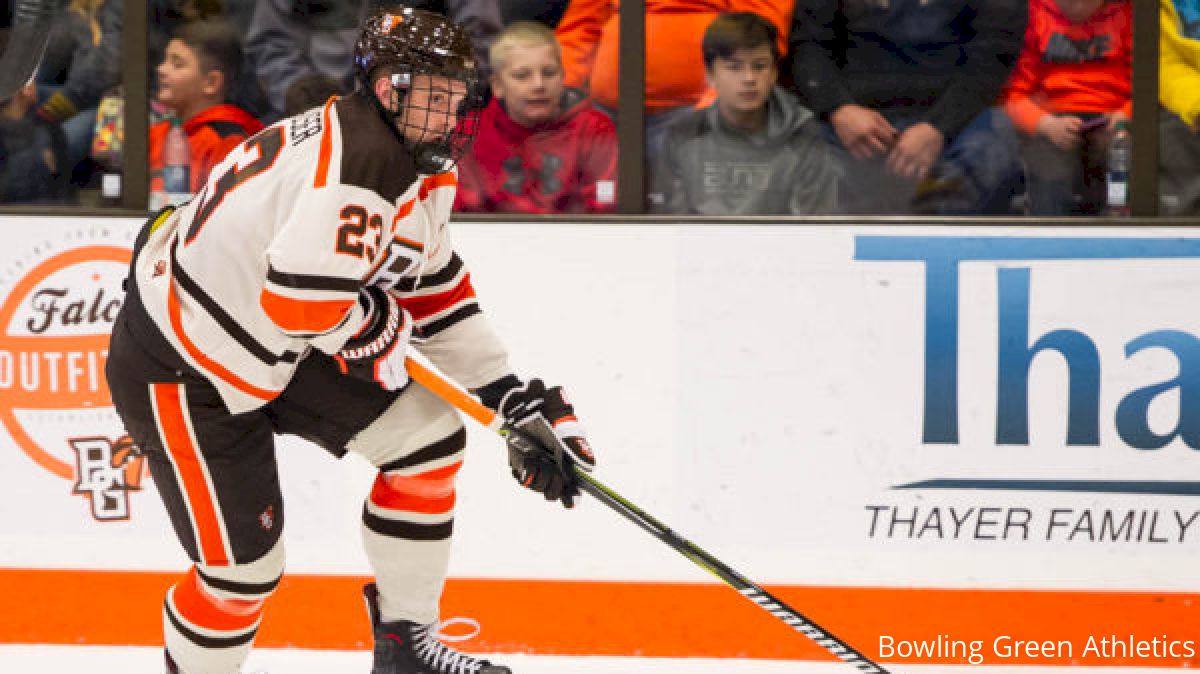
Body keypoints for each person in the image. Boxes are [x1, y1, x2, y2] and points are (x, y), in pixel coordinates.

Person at [105, 7, 595, 674]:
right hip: (183, 360)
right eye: (437, 98)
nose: (452, 114)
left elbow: (433, 288)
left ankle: (407, 648)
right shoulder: (358, 164)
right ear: (391, 90)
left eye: (458, 98)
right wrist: (369, 329)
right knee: (242, 576)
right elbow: (299, 303)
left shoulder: (417, 157)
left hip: (275, 338)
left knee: (427, 439)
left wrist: (508, 395)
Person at [790, 0, 1027, 214]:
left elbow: (994, 55)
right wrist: (838, 107)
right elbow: (808, 44)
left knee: (993, 146)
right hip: (851, 123)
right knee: (804, 149)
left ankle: (941, 239)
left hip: (955, 122)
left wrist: (939, 127)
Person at [651, 12, 838, 215]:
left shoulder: (804, 135)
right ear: (710, 75)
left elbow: (815, 224)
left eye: (760, 66)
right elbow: (671, 222)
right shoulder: (683, 134)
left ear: (774, 73)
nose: (749, 78)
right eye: (734, 67)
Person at [554, 0, 794, 158]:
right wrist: (561, 95)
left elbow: (759, 31)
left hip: (696, 116)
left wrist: (720, 102)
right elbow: (580, 29)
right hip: (603, 117)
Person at [245, 0, 503, 122]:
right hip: (316, 112)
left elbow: (478, 44)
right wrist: (310, 100)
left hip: (422, 114)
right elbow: (271, 45)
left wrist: (425, 99)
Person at [456, 20, 617, 213]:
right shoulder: (468, 133)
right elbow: (462, 212)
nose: (538, 85)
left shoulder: (595, 130)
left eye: (549, 73)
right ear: (497, 85)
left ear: (562, 77)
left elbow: (605, 210)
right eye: (522, 75)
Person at [1003, 0, 1132, 216]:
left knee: (1121, 158)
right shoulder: (1032, 14)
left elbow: (1148, 84)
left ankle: (1119, 226)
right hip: (1051, 119)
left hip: (1112, 119)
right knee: (1047, 164)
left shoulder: (1128, 14)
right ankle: (1048, 229)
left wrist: (1126, 115)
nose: (1078, 5)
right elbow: (1012, 96)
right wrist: (1043, 124)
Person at [150, 19, 264, 196]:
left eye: (177, 64)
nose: (161, 69)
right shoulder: (158, 133)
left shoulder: (229, 142)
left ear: (211, 82)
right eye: (165, 60)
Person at [1160, 0, 1200, 215]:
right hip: (1187, 104)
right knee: (1169, 134)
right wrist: (1197, 105)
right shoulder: (1162, 7)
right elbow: (1166, 64)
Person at [0, 76, 68, 203]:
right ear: (26, 89)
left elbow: (64, 190)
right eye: (33, 79)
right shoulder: (46, 131)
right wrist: (41, 160)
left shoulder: (49, 127)